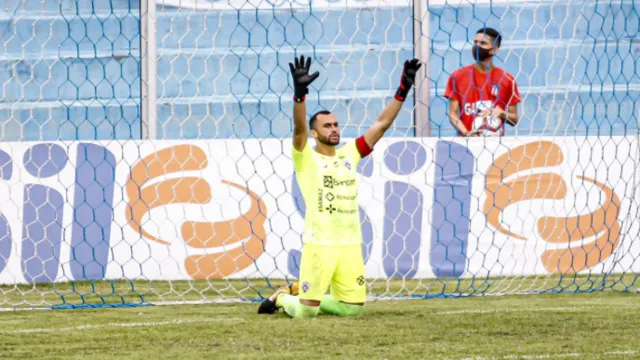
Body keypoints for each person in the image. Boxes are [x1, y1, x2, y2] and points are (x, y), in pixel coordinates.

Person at [258, 55, 421, 318]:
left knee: (352, 310)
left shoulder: (350, 153)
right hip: (319, 244)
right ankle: (284, 298)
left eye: (335, 124)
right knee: (305, 315)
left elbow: (381, 124)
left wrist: (403, 90)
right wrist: (300, 95)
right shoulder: (306, 157)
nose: (334, 129)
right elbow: (299, 130)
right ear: (315, 133)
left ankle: (302, 293)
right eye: (327, 126)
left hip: (350, 242)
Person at [445, 27, 521, 136]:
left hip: (496, 146)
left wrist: (502, 113)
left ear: (494, 49)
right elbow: (452, 114)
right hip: (467, 144)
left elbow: (514, 119)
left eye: (483, 43)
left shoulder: (507, 79)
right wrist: (467, 134)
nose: (477, 46)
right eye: (475, 42)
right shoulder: (457, 76)